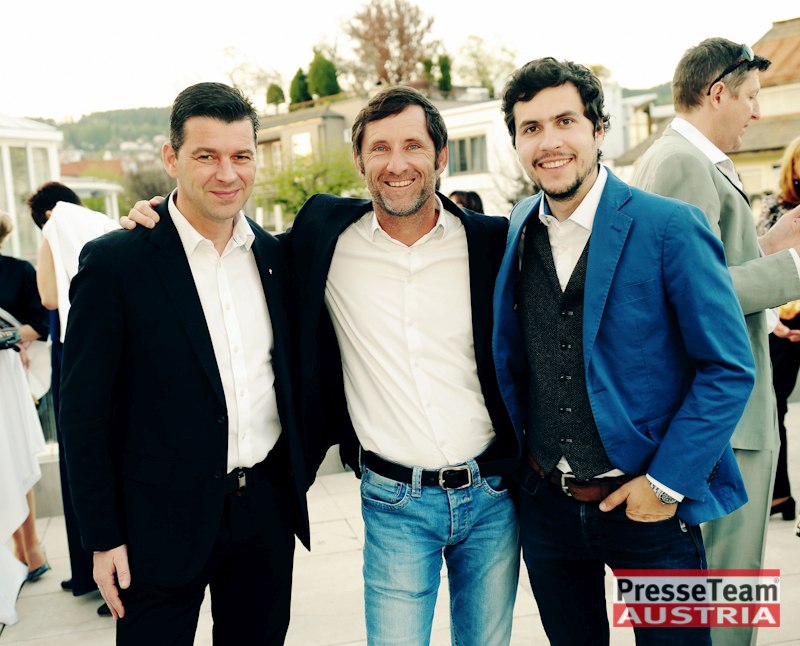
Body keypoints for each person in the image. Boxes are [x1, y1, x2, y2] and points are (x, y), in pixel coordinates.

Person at [128, 86, 522, 646]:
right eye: (379, 148)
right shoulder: (324, 236)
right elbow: (226, 236)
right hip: (395, 503)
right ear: (358, 160)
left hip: (492, 499)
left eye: (413, 146)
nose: (396, 164)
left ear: (441, 157)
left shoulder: (492, 241)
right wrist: (161, 218)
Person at [493, 57, 755, 645]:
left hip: (650, 511)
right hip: (548, 509)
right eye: (531, 128)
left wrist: (664, 486)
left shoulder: (670, 227)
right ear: (516, 143)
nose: (549, 141)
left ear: (599, 129)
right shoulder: (517, 228)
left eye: (565, 121)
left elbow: (727, 368)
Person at [59, 82, 309, 645]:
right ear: (171, 158)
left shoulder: (275, 257)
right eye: (206, 156)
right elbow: (82, 413)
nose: (227, 173)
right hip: (156, 525)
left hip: (263, 513)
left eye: (241, 156)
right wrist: (102, 538)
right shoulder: (116, 263)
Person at [631, 38, 800, 646]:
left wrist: (767, 258)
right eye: (751, 96)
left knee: (695, 598)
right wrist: (791, 267)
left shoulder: (676, 158)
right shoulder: (683, 163)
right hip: (724, 426)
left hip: (714, 425)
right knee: (725, 594)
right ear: (718, 92)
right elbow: (684, 298)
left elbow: (702, 278)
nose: (756, 112)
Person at [27, 181, 118, 613]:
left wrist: (46, 240)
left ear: (45, 216)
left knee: (77, 461)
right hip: (102, 348)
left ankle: (94, 572)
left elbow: (48, 296)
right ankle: (94, 570)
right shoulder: (100, 223)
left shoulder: (55, 224)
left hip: (71, 351)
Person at [0, 211, 50, 591]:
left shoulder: (18, 271)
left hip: (8, 376)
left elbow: (43, 323)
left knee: (13, 457)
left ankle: (30, 548)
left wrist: (10, 337)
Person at [758, 135, 800, 531]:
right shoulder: (775, 208)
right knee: (775, 407)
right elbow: (756, 264)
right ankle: (780, 494)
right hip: (781, 319)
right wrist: (776, 321)